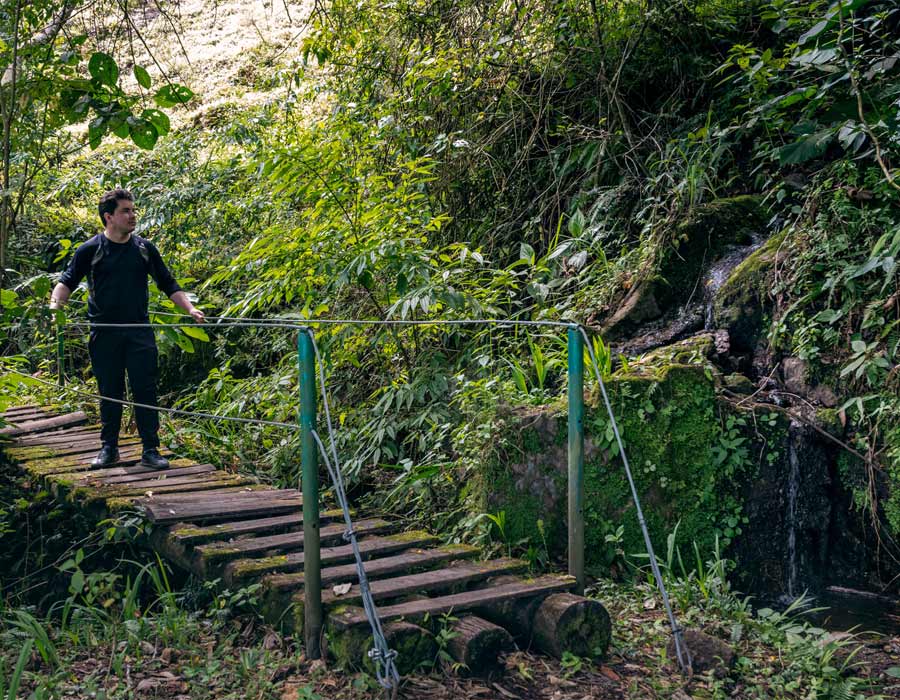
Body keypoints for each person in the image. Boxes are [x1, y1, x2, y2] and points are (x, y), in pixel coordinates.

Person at [49, 188, 205, 469]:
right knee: (110, 390)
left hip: (139, 331)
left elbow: (168, 283)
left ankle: (151, 450)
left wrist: (190, 309)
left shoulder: (145, 249)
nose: (133, 216)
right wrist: (54, 309)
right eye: (126, 211)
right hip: (104, 331)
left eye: (133, 210)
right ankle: (109, 449)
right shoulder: (90, 249)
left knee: (145, 389)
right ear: (109, 217)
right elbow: (67, 282)